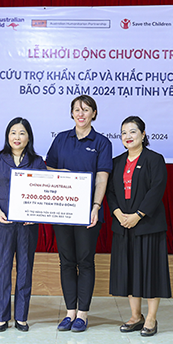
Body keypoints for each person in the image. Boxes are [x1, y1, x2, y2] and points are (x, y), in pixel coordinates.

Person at [45, 95, 113, 332]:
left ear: (94, 113)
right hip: (62, 211)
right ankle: (69, 312)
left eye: (86, 109)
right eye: (76, 109)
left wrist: (96, 206)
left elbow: (102, 178)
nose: (81, 113)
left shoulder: (102, 142)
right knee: (66, 262)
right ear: (72, 113)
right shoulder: (61, 139)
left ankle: (82, 314)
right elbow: (48, 168)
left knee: (85, 262)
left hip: (88, 213)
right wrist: (59, 172)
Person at [106, 116, 171, 337]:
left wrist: (138, 215)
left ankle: (151, 318)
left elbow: (156, 189)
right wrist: (117, 213)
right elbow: (110, 192)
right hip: (123, 225)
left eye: (133, 132)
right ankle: (136, 316)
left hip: (148, 225)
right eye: (124, 132)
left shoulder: (154, 159)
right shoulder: (116, 162)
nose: (127, 136)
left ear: (143, 135)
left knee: (151, 273)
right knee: (129, 272)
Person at [0, 117, 47, 332]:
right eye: (13, 133)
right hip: (4, 222)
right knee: (3, 269)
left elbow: (44, 192)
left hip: (28, 225)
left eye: (21, 133)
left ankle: (21, 317)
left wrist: (36, 214)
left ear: (29, 137)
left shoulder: (37, 161)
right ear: (7, 136)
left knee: (25, 269)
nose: (17, 137)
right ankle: (1, 317)